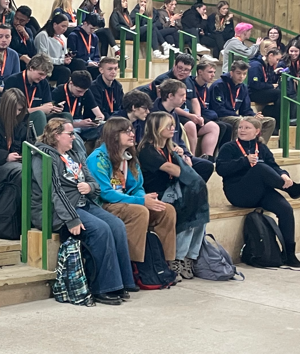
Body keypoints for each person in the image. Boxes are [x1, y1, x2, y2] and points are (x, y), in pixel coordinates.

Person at [32, 118, 134, 304]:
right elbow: (53, 190)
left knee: (116, 225)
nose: (74, 137)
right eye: (70, 134)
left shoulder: (74, 154)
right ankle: (102, 287)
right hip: (57, 210)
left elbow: (93, 182)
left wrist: (89, 186)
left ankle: (122, 282)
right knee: (100, 229)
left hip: (82, 203)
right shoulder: (43, 157)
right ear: (56, 136)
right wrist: (71, 219)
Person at [216, 116, 300, 268]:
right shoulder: (229, 147)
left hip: (260, 191)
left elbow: (273, 166)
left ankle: (289, 253)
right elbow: (221, 169)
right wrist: (244, 161)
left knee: (286, 209)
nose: (242, 130)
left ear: (257, 132)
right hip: (238, 192)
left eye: (247, 128)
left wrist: (284, 175)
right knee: (259, 168)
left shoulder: (262, 147)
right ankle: (293, 189)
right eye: (240, 127)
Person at [86, 117, 177, 265]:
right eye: (126, 131)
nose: (132, 134)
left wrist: (144, 198)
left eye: (131, 130)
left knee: (166, 210)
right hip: (103, 205)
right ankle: (133, 266)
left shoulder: (129, 157)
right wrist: (141, 201)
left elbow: (137, 187)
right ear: (113, 135)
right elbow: (105, 193)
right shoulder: (98, 158)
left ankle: (163, 263)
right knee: (139, 212)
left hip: (124, 201)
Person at [138, 112, 209, 279]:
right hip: (158, 193)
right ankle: (177, 257)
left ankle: (189, 257)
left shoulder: (169, 147)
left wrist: (181, 156)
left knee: (200, 212)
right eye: (168, 125)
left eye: (172, 124)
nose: (173, 128)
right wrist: (187, 168)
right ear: (156, 128)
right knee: (189, 209)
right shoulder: (147, 150)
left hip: (174, 190)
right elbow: (173, 170)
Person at [211, 59, 276, 144]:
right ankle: (236, 150)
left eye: (244, 74)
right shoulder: (219, 85)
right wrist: (240, 116)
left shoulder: (243, 87)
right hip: (222, 117)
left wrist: (254, 116)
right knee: (239, 121)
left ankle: (257, 149)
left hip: (237, 116)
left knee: (269, 121)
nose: (241, 76)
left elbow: (246, 110)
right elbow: (218, 109)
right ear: (231, 73)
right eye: (238, 73)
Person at [0, 87, 29, 185]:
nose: (17, 113)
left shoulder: (22, 121)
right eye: (14, 110)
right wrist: (5, 156)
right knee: (23, 172)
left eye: (20, 109)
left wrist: (22, 155)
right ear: (6, 107)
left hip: (14, 164)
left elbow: (28, 143)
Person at [3, 54, 58, 136]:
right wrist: (40, 109)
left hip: (35, 115)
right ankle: (43, 146)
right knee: (39, 114)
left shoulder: (43, 83)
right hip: (17, 118)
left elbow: (47, 103)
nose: (43, 77)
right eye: (40, 74)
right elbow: (10, 111)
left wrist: (51, 108)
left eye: (45, 75)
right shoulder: (13, 81)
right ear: (31, 68)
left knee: (64, 116)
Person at [53, 69, 104, 148]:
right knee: (73, 137)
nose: (82, 94)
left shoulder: (86, 92)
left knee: (106, 127)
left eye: (84, 91)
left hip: (82, 125)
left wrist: (97, 121)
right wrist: (79, 124)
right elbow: (54, 123)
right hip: (65, 127)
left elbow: (99, 114)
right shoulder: (58, 92)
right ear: (71, 83)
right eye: (79, 91)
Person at [34, 12, 74, 85]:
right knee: (65, 71)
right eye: (63, 26)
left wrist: (67, 58)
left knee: (78, 63)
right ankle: (59, 92)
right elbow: (43, 58)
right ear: (55, 25)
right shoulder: (43, 35)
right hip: (46, 65)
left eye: (66, 27)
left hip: (59, 63)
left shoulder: (63, 37)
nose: (65, 29)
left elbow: (63, 53)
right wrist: (61, 61)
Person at [247, 46, 283, 119]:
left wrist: (274, 74)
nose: (277, 62)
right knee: (279, 93)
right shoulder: (256, 65)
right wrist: (271, 86)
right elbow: (255, 84)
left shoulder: (266, 65)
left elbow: (267, 79)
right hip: (253, 92)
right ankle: (273, 116)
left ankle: (270, 111)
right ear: (271, 55)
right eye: (277, 59)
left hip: (261, 90)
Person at [66, 12, 104, 78]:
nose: (92, 31)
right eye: (91, 28)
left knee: (101, 70)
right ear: (85, 23)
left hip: (91, 64)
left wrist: (96, 62)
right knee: (80, 64)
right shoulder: (74, 36)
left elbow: (96, 55)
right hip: (79, 64)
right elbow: (73, 56)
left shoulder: (94, 37)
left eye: (94, 29)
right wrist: (87, 63)